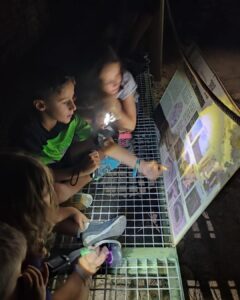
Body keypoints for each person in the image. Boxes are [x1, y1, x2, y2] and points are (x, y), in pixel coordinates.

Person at [0, 152, 126, 300]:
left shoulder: (14, 232)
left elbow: (44, 217)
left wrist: (69, 211)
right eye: (47, 191)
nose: (53, 192)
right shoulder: (12, 261)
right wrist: (83, 274)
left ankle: (87, 232)